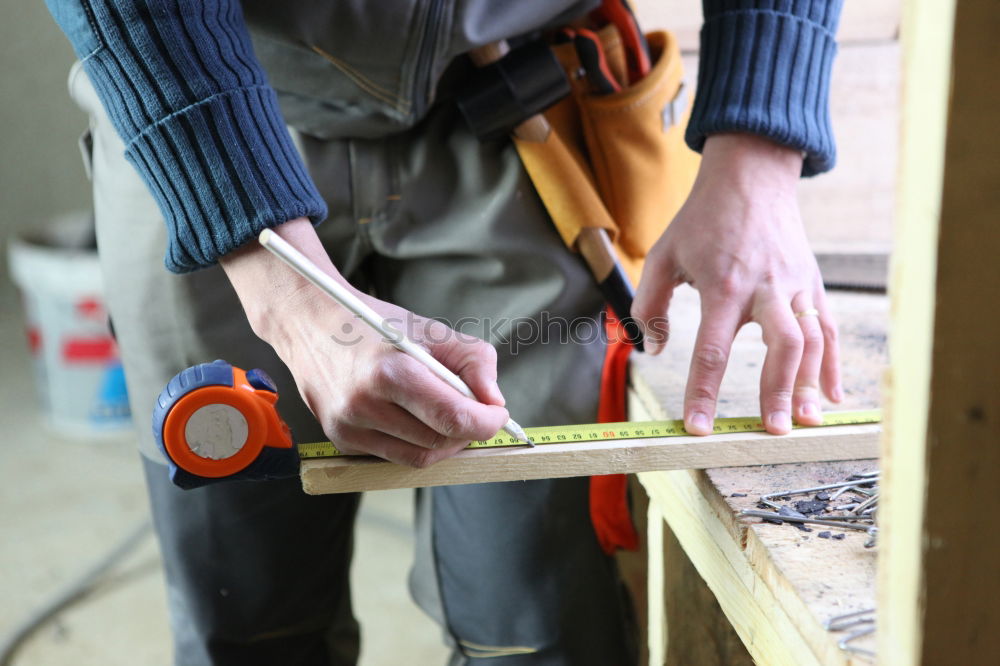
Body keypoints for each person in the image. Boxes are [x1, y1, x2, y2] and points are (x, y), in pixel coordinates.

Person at [48, 1, 845, 664]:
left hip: (526, 100)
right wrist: (284, 293)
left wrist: (759, 152)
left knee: (539, 634)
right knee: (248, 623)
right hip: (196, 109)